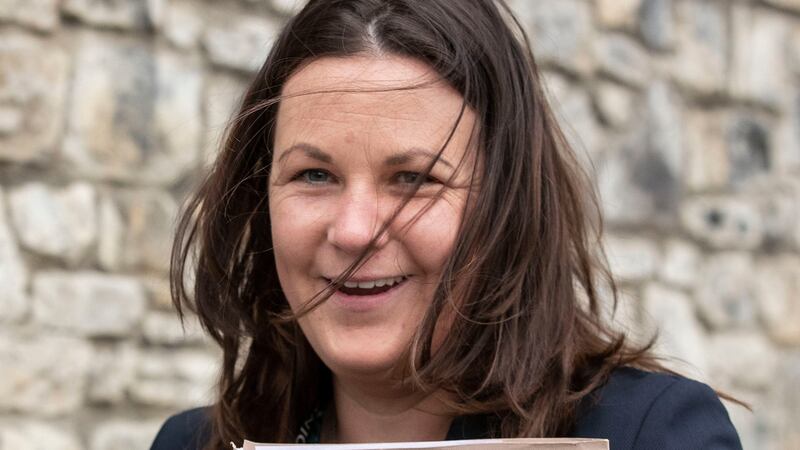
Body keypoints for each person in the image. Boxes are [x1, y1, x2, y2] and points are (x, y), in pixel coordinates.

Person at [151, 1, 744, 449]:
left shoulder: (649, 434)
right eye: (314, 175)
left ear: (506, 205)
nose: (353, 231)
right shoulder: (193, 444)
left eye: (413, 179)